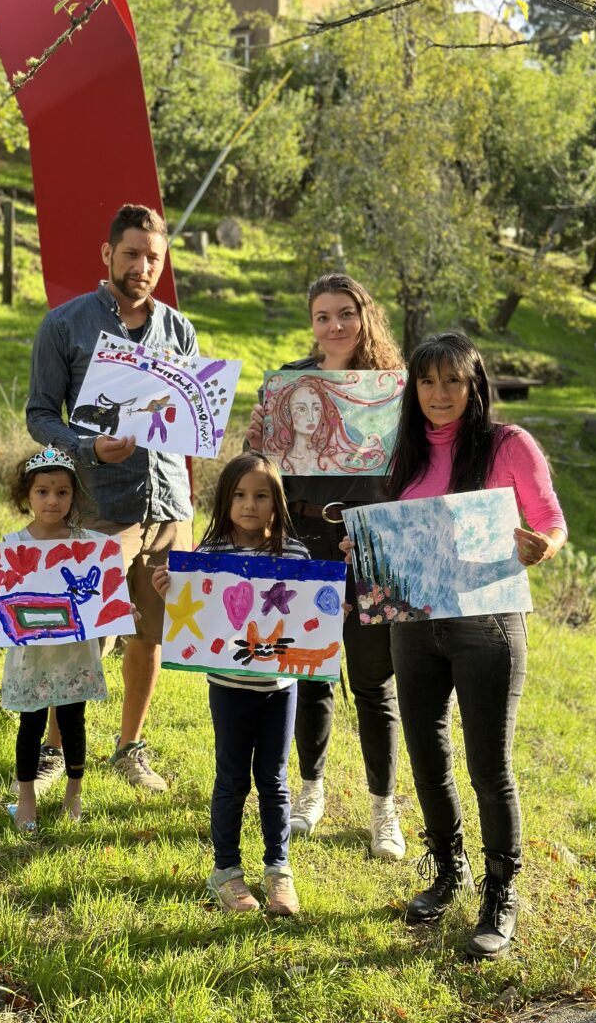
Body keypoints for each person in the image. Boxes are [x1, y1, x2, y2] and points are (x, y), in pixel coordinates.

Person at [374, 330, 566, 959]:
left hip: (487, 622)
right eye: (427, 381)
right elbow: (394, 527)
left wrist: (541, 546)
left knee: (489, 767)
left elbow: (551, 523)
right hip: (413, 622)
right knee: (427, 756)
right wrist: (366, 549)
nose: (439, 393)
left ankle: (501, 895)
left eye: (452, 380)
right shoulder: (404, 449)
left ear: (474, 383)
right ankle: (448, 873)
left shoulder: (509, 444)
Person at [26, 203, 197, 793]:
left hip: (169, 504)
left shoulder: (179, 329)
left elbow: (189, 415)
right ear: (107, 255)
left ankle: (130, 747)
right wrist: (87, 448)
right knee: (79, 626)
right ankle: (53, 748)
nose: (143, 266)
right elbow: (40, 414)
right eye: (131, 254)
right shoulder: (65, 325)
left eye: (154, 257)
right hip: (99, 501)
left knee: (147, 632)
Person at [245, 273, 407, 860]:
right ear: (310, 323)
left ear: (365, 316)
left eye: (345, 313)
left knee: (372, 680)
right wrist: (258, 439)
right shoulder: (290, 383)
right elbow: (259, 465)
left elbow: (409, 470)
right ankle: (311, 791)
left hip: (370, 541)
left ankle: (383, 810)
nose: (334, 325)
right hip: (305, 536)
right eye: (322, 316)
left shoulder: (393, 389)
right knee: (311, 670)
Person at [152, 453, 309, 915]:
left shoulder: (294, 555)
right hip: (229, 686)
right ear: (224, 501)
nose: (250, 505)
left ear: (277, 502)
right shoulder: (209, 555)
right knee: (232, 779)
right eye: (240, 495)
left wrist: (328, 613)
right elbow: (193, 617)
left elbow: (308, 618)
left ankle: (278, 870)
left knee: (275, 781)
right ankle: (226, 872)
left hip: (280, 688)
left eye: (261, 495)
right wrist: (170, 593)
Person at [0, 447, 125, 832]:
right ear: (27, 496)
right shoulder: (11, 544)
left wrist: (118, 607)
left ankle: (74, 792)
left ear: (73, 496)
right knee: (30, 724)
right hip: (30, 654)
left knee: (73, 721)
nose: (53, 500)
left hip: (74, 654)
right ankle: (26, 798)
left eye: (62, 492)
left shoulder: (89, 545)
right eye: (43, 491)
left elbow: (105, 594)